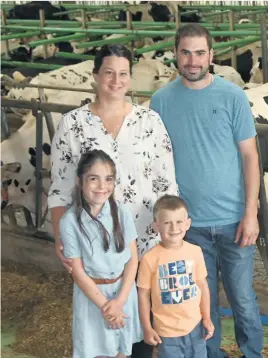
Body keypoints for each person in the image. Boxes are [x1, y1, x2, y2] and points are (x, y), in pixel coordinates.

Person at [48, 44, 179, 358]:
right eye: (108, 72)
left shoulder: (150, 121)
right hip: (96, 252)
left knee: (142, 323)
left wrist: (171, 237)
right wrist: (60, 238)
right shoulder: (73, 124)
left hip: (146, 241)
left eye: (123, 74)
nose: (116, 80)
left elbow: (167, 184)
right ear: (95, 76)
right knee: (102, 323)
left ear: (130, 79)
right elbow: (60, 188)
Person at [149, 23, 262, 358]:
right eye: (186, 52)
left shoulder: (232, 96)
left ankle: (252, 354)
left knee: (243, 299)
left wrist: (251, 213)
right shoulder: (160, 102)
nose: (193, 60)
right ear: (175, 55)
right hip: (188, 227)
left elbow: (250, 156)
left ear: (211, 56)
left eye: (200, 53)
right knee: (201, 298)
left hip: (234, 221)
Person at [59, 149, 143, 358]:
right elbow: (77, 272)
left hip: (123, 292)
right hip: (93, 298)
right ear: (80, 181)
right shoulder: (69, 222)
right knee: (98, 351)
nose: (102, 186)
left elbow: (133, 260)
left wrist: (119, 302)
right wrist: (107, 308)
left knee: (122, 350)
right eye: (93, 179)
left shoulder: (122, 212)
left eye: (108, 179)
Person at [137, 194, 215, 358]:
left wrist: (206, 318)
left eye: (179, 222)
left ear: (188, 224)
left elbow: (203, 287)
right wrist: (147, 327)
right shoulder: (149, 259)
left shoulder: (195, 252)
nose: (174, 228)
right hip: (167, 332)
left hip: (195, 326)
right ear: (156, 225)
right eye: (167, 223)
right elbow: (143, 294)